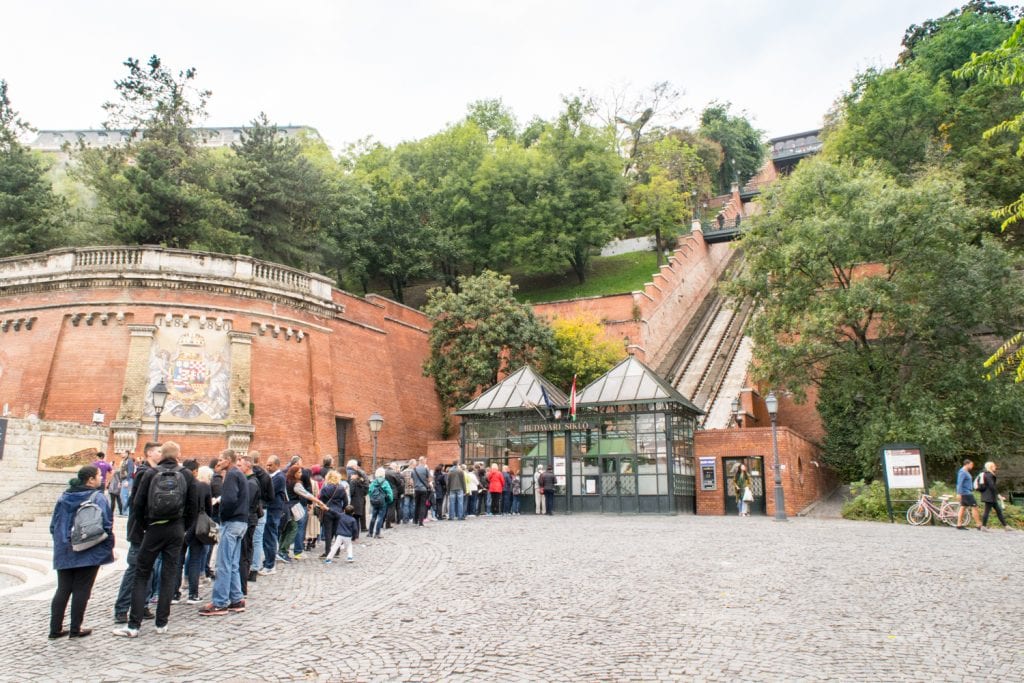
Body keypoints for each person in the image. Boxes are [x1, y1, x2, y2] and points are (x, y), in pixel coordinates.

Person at [114, 441, 197, 638]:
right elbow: (194, 506)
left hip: (153, 528)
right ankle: (162, 623)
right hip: (176, 528)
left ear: (162, 455)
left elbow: (137, 504)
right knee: (168, 576)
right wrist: (184, 527)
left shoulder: (151, 473)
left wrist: (144, 527)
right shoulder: (186, 474)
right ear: (178, 455)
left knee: (142, 574)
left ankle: (134, 625)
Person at [49, 465, 115, 639]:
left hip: (64, 548)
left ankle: (54, 629)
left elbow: (53, 525)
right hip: (89, 548)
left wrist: (62, 542)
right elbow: (106, 524)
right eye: (99, 475)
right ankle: (75, 628)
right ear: (91, 479)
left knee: (63, 589)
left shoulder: (64, 497)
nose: (102, 478)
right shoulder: (97, 497)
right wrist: (107, 548)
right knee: (82, 590)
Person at [113, 442, 161, 624]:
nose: (161, 453)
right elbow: (138, 503)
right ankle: (122, 608)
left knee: (151, 569)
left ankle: (143, 604)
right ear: (149, 453)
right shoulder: (143, 472)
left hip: (150, 529)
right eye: (158, 450)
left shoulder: (154, 472)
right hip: (140, 529)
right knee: (134, 569)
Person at [200, 450, 249, 616]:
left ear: (229, 460)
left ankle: (220, 602)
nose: (218, 463)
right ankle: (236, 598)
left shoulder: (231, 475)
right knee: (233, 564)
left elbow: (229, 500)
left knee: (223, 564)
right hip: (241, 522)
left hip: (232, 522)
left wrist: (222, 514)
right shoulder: (239, 474)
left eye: (221, 460)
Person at [184, 465, 214, 604]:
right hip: (198, 525)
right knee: (195, 559)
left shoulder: (185, 483)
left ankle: (174, 594)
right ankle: (193, 594)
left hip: (183, 524)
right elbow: (209, 509)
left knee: (178, 560)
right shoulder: (204, 487)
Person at [260, 455, 287, 574]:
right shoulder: (273, 476)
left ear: (277, 465)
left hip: (274, 509)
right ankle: (268, 562)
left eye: (270, 465)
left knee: (270, 537)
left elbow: (268, 492)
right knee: (267, 537)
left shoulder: (279, 477)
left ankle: (270, 565)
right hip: (272, 509)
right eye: (267, 464)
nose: (267, 467)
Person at [319, 470, 348, 557]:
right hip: (338, 512)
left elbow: (321, 501)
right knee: (337, 532)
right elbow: (346, 502)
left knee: (328, 533)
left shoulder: (325, 488)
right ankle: (337, 551)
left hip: (327, 511)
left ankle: (328, 551)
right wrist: (342, 509)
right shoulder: (341, 488)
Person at [978, 461, 1011, 532]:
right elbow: (992, 486)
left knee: (998, 511)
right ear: (990, 467)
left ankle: (1006, 526)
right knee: (987, 511)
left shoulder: (987, 474)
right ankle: (983, 526)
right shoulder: (989, 475)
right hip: (989, 496)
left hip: (990, 496)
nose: (995, 467)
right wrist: (998, 495)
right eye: (994, 466)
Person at [956, 459, 982, 530]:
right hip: (966, 493)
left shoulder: (965, 472)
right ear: (967, 464)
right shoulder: (962, 472)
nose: (972, 466)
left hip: (966, 492)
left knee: (963, 507)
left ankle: (959, 524)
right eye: (971, 465)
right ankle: (978, 524)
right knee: (974, 507)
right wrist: (959, 493)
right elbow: (959, 483)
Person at [368, 468, 394, 538]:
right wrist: (389, 500)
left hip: (374, 502)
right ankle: (377, 533)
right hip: (383, 502)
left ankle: (370, 533)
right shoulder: (385, 482)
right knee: (380, 517)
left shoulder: (373, 482)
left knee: (373, 517)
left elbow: (370, 491)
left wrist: (372, 499)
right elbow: (390, 493)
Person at [412, 457, 432, 526]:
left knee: (416, 505)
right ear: (423, 461)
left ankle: (415, 520)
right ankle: (421, 522)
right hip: (423, 489)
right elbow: (429, 479)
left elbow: (412, 480)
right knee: (422, 505)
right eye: (425, 461)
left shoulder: (414, 469)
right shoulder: (425, 469)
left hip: (416, 489)